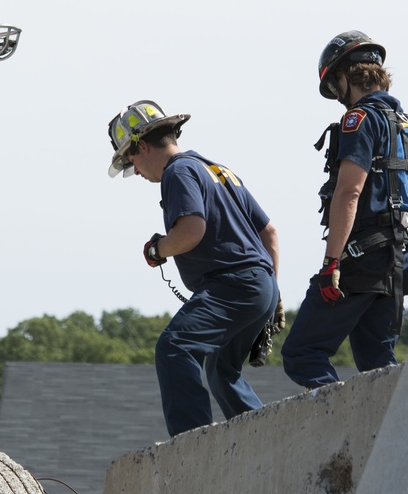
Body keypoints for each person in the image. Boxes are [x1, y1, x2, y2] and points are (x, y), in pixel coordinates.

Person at [108, 101, 283, 437]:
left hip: (232, 283)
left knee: (174, 347)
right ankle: (268, 440)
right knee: (221, 369)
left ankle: (192, 449)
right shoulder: (217, 170)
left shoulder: (178, 172)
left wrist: (158, 249)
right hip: (260, 285)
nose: (137, 171)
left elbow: (191, 231)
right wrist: (272, 296)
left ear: (141, 146)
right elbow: (269, 233)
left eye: (131, 160)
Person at [282, 31, 408, 389]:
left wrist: (332, 263)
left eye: (335, 85)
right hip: (398, 258)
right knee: (378, 367)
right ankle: (386, 441)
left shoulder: (359, 121)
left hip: (362, 258)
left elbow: (349, 193)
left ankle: (338, 436)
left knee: (302, 351)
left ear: (347, 76)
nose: (336, 96)